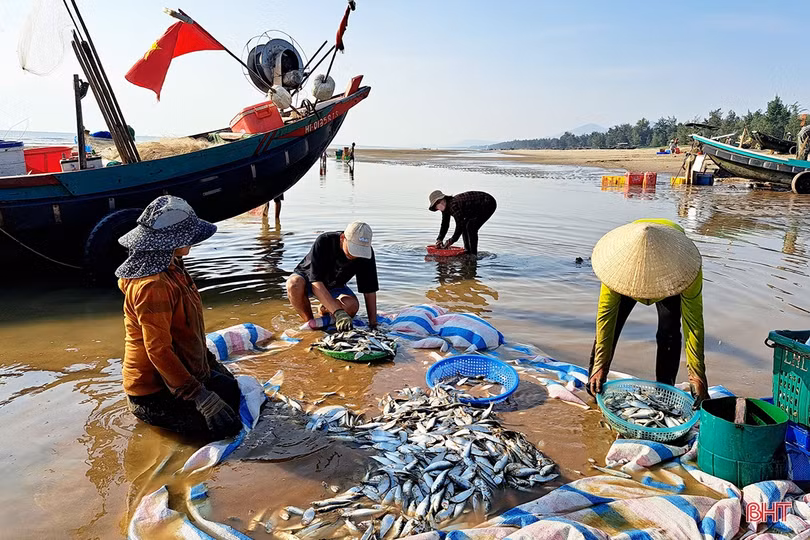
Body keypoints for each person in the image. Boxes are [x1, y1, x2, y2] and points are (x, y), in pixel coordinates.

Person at [116, 195, 242, 441]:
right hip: (154, 391)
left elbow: (189, 330)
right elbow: (158, 350)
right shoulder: (152, 285)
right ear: (170, 241)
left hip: (183, 374)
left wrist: (210, 364)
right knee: (225, 429)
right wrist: (200, 396)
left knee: (231, 390)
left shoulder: (173, 266)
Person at [587, 219, 710, 407]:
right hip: (629, 268)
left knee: (669, 332)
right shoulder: (617, 268)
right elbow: (606, 319)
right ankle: (595, 382)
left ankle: (664, 391)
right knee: (612, 328)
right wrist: (600, 366)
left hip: (669, 271)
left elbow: (693, 325)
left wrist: (697, 376)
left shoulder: (686, 269)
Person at [286, 221, 378, 331]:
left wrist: (373, 324)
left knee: (352, 306)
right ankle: (310, 323)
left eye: (360, 251)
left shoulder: (367, 255)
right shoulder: (324, 241)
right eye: (353, 249)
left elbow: (369, 291)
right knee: (293, 284)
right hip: (309, 280)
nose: (355, 255)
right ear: (343, 238)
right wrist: (338, 312)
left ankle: (325, 309)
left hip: (335, 285)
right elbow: (316, 281)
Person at [428, 190, 497, 255]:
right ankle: (467, 251)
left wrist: (451, 240)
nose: (437, 209)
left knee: (471, 227)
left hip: (487, 203)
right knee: (466, 226)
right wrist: (440, 239)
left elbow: (459, 225)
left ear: (441, 201)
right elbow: (445, 224)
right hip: (473, 208)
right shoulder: (446, 208)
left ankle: (473, 254)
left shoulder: (453, 205)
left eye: (436, 206)